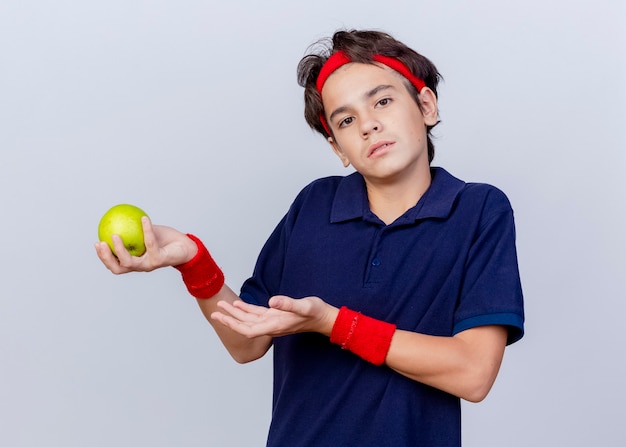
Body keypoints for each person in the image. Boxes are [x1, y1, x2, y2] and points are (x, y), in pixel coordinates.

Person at [95, 29, 524, 447]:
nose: (369, 125)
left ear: (426, 105)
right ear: (338, 146)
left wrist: (330, 322)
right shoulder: (314, 206)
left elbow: (473, 372)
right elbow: (247, 343)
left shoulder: (478, 210)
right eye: (347, 119)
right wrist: (193, 261)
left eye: (384, 101)